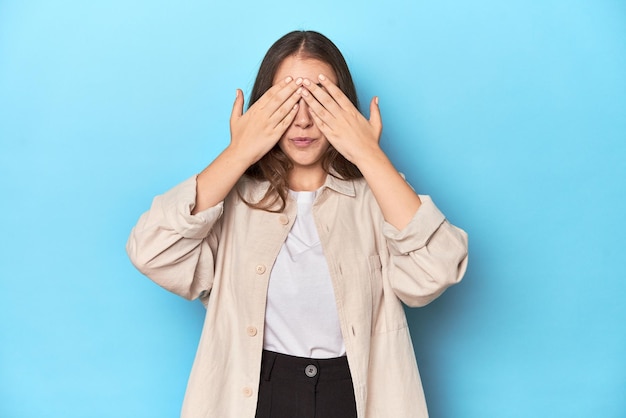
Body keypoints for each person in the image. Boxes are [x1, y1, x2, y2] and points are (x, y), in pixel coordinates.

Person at [127, 30, 468, 418]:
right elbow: (151, 250)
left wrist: (369, 156)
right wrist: (238, 153)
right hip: (255, 394)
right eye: (288, 101)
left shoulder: (379, 195)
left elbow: (436, 272)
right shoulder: (232, 199)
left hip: (355, 395)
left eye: (320, 101)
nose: (303, 120)